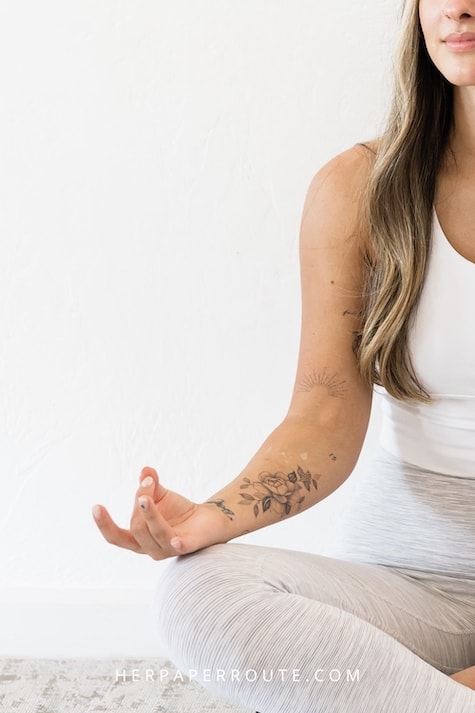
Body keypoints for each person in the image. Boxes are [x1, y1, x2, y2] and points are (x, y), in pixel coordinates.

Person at [92, 0, 475, 710]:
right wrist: (210, 516)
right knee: (196, 590)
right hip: (407, 587)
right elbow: (324, 410)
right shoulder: (359, 190)